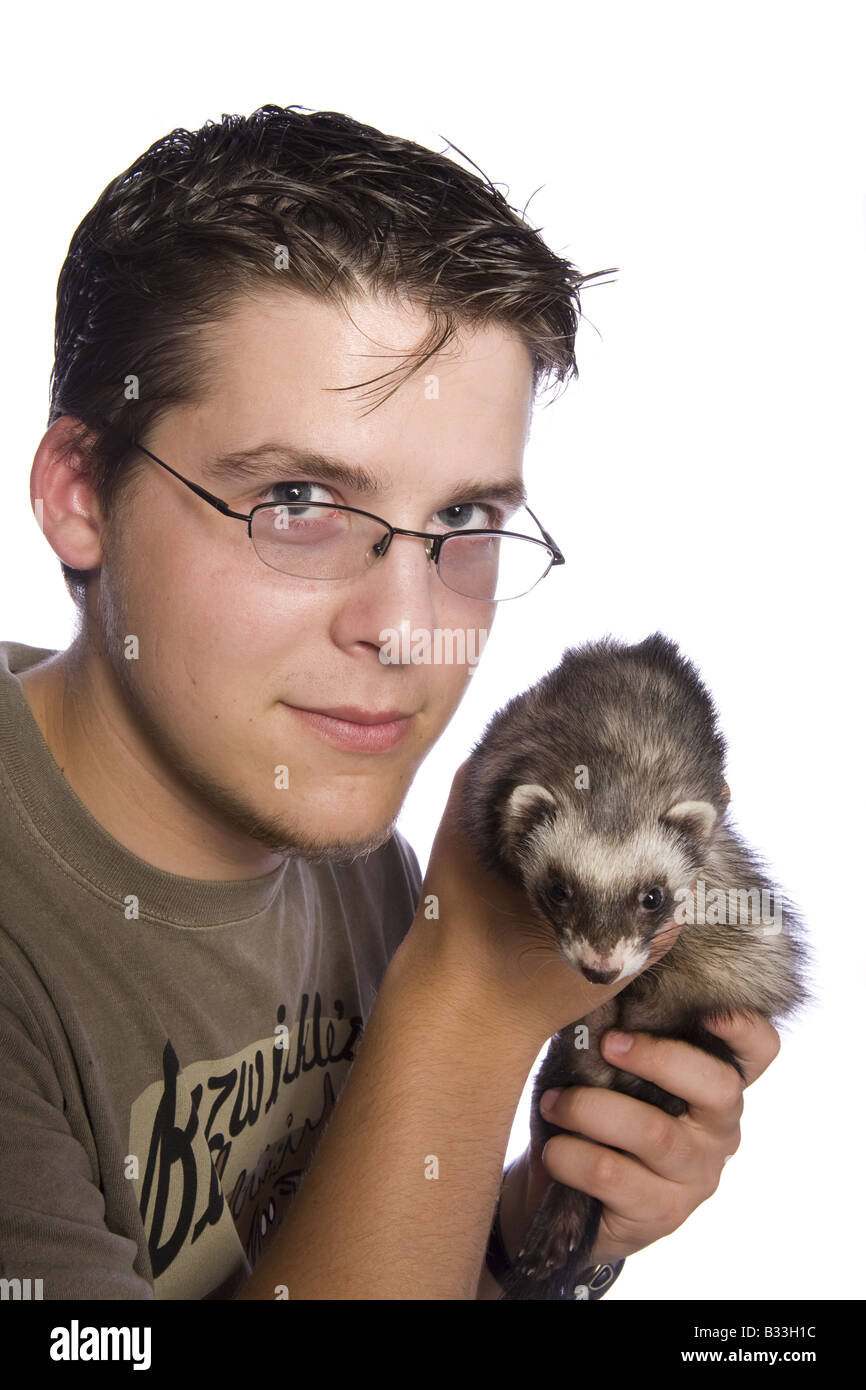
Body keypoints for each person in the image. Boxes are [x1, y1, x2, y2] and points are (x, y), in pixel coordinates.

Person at [0, 103, 779, 1301]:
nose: (404, 624)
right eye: (300, 499)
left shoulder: (348, 865)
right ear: (80, 495)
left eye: (462, 521)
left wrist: (524, 1239)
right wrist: (466, 1009)